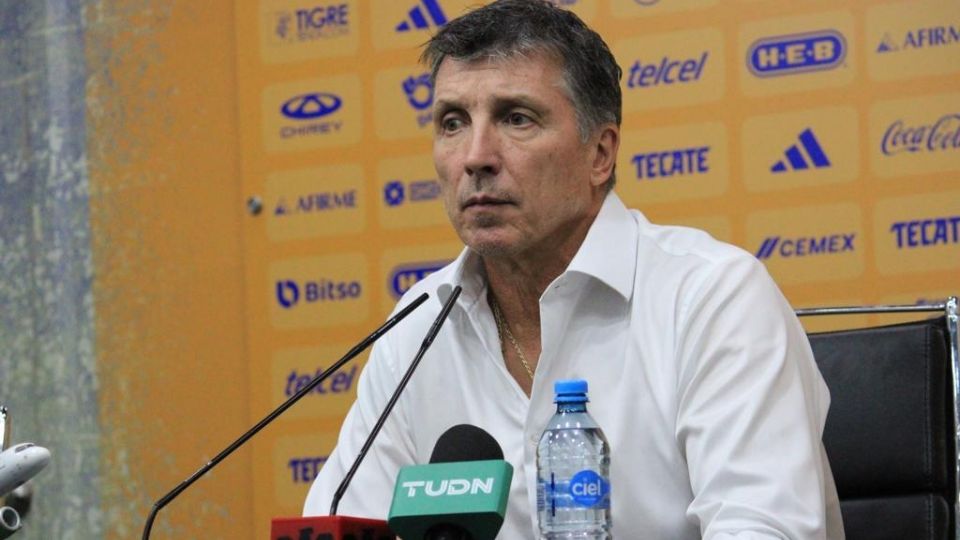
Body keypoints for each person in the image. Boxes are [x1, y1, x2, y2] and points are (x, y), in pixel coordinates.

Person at [304, 1, 845, 537]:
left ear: (600, 154)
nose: (476, 156)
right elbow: (340, 523)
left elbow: (764, 529)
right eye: (453, 122)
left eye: (516, 118)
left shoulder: (712, 299)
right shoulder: (419, 328)